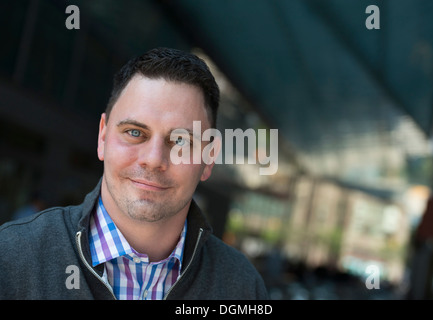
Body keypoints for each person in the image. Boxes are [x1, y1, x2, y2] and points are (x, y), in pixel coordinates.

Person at [0, 47, 269, 300]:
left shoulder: (243, 287)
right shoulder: (10, 258)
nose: (153, 160)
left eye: (180, 142)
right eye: (135, 133)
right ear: (102, 136)